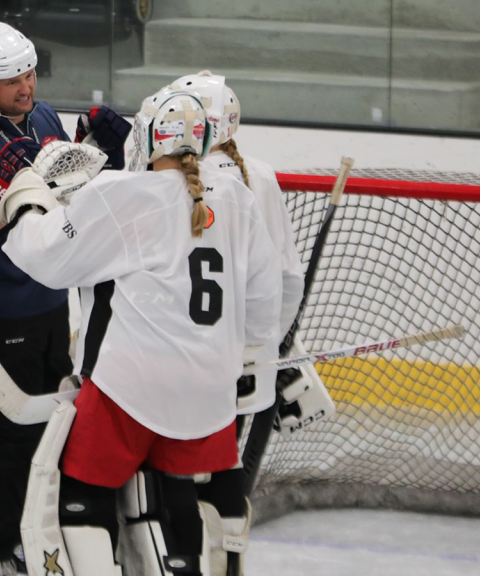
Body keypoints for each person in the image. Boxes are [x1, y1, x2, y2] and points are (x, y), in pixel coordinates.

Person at [0, 90, 281, 575]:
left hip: (132, 387)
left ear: (149, 138)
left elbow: (48, 259)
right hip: (210, 389)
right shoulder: (236, 196)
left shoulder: (126, 194)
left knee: (81, 497)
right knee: (176, 494)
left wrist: (26, 206)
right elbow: (261, 300)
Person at [0, 21, 130, 576]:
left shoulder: (43, 116)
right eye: (10, 80)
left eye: (28, 73)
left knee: (54, 428)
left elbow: (69, 189)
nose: (25, 86)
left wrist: (94, 152)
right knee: (11, 437)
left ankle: (32, 533)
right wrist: (4, 200)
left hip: (48, 299)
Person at [170, 71, 305, 576]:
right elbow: (287, 280)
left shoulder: (169, 177)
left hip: (188, 357)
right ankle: (228, 560)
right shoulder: (260, 176)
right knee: (226, 468)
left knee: (180, 470)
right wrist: (269, 345)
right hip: (246, 363)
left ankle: (180, 558)